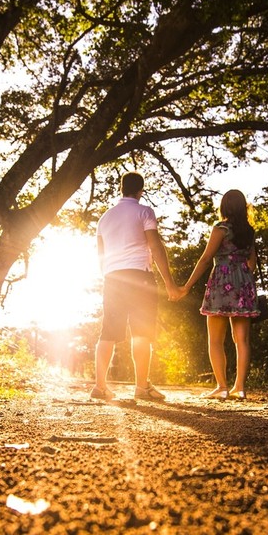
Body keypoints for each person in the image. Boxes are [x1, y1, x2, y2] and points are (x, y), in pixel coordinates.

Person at [90, 171, 181, 401]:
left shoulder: (105, 218)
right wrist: (169, 283)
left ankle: (100, 387)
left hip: (113, 278)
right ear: (141, 190)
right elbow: (156, 246)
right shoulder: (144, 211)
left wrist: (108, 278)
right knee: (141, 332)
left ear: (121, 188)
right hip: (139, 277)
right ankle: (141, 387)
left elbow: (100, 255)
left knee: (108, 332)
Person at [178, 189, 260, 399]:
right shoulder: (249, 231)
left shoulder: (220, 228)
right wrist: (242, 278)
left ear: (224, 207)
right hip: (243, 282)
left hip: (221, 282)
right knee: (241, 340)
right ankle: (239, 387)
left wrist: (186, 286)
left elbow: (206, 259)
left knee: (215, 339)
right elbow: (252, 264)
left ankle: (222, 386)